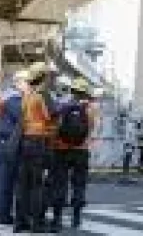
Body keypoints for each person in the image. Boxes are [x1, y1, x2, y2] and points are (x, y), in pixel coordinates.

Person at [48, 77, 98, 230]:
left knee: (59, 184)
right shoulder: (92, 109)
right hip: (81, 151)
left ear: (72, 91)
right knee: (79, 185)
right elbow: (92, 130)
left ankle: (57, 220)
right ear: (86, 92)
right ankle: (76, 219)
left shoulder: (63, 105)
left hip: (61, 149)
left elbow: (56, 127)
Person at [14, 62, 56, 233]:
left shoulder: (27, 95)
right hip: (40, 142)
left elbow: (24, 117)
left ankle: (20, 222)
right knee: (38, 184)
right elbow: (50, 117)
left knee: (23, 184)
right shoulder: (42, 95)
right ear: (44, 77)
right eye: (50, 76)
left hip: (26, 142)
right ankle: (37, 224)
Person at [0, 72, 24, 225]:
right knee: (6, 180)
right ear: (19, 82)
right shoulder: (15, 99)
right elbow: (22, 119)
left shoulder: (1, 96)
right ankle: (3, 214)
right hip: (8, 142)